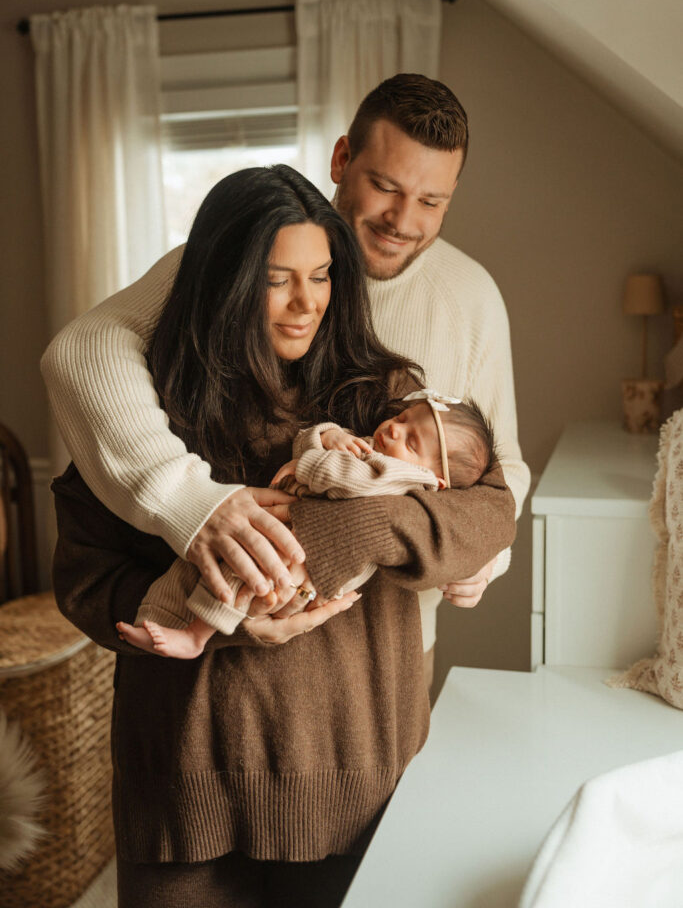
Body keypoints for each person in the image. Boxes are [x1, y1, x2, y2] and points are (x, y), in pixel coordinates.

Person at [50, 165, 514, 907]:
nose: (307, 303)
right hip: (186, 780)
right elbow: (84, 582)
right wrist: (218, 616)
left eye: (323, 275)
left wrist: (348, 525)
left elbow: (488, 511)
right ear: (224, 281)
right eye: (277, 280)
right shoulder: (140, 414)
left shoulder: (384, 396)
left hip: (350, 776)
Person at [41, 72, 530, 688]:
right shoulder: (233, 264)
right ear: (342, 158)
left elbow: (498, 468)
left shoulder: (471, 297)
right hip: (215, 682)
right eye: (385, 186)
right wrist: (192, 503)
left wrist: (479, 553)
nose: (403, 220)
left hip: (382, 663)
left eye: (432, 201)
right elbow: (83, 350)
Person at [117, 393, 498, 659]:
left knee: (240, 572)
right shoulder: (381, 450)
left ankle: (195, 636)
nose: (394, 430)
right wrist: (327, 435)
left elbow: (352, 481)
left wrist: (309, 464)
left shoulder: (405, 479)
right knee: (199, 562)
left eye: (411, 440)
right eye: (401, 418)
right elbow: (309, 444)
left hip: (316, 556)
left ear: (436, 480)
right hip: (301, 530)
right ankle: (156, 620)